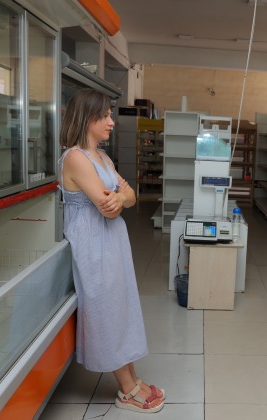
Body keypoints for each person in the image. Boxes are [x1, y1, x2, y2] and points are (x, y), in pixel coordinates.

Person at [59, 89, 165, 413]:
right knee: (105, 309)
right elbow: (109, 208)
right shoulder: (75, 157)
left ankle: (133, 376)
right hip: (94, 246)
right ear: (86, 118)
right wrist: (119, 198)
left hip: (112, 243)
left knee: (121, 305)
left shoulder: (102, 157)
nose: (111, 123)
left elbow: (128, 197)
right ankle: (128, 389)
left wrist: (121, 197)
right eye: (105, 116)